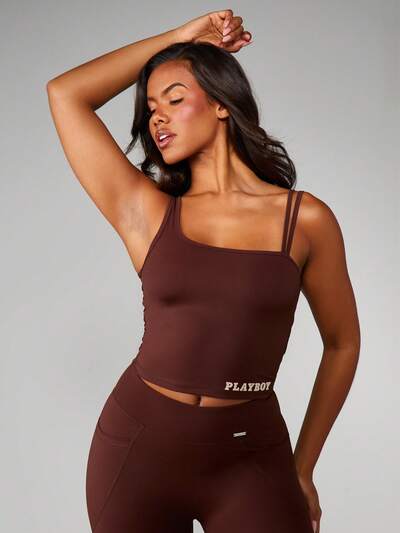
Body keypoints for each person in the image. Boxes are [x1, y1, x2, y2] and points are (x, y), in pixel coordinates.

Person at [46, 9, 360, 533]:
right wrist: (179, 38)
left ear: (220, 104)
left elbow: (343, 343)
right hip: (139, 447)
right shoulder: (147, 211)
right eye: (151, 109)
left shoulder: (305, 220)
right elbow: (65, 94)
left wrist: (303, 468)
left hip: (250, 455)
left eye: (174, 99)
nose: (157, 119)